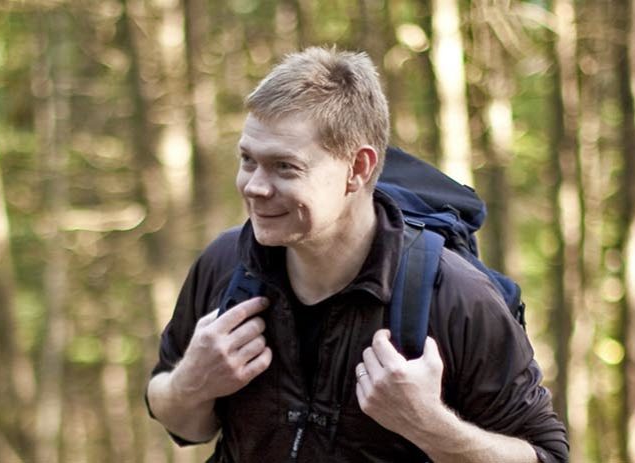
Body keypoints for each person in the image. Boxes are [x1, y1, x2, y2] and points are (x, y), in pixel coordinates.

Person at [145, 48, 568, 462]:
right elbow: (184, 425)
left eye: (285, 167)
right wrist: (191, 383)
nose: (254, 186)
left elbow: (547, 454)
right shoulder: (225, 264)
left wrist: (430, 426)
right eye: (247, 160)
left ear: (358, 168)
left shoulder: (456, 298)